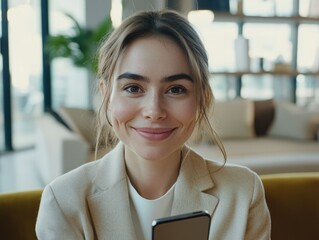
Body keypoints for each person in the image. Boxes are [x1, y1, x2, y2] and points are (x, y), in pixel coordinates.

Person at [36, 10, 271, 240]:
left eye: (176, 89)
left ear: (202, 99)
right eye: (133, 88)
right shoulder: (63, 201)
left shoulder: (243, 193)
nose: (154, 111)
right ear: (106, 95)